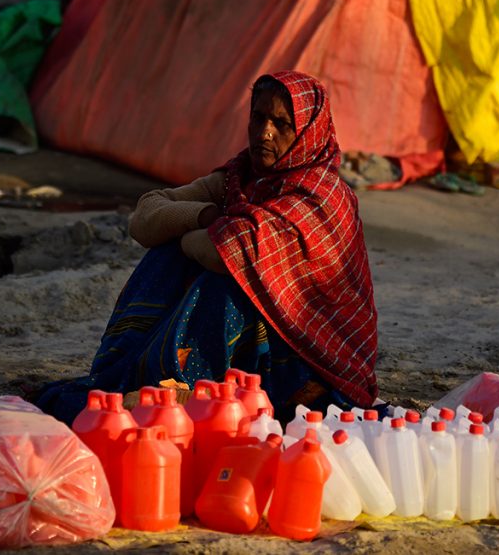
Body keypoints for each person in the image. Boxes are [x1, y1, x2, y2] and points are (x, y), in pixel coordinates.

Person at [37, 71, 378, 423]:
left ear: (307, 132)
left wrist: (194, 234)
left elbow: (225, 252)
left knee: (228, 280)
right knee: (167, 254)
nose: (265, 133)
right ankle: (144, 374)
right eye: (258, 118)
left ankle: (180, 385)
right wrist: (205, 216)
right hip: (256, 346)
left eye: (281, 123)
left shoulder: (321, 198)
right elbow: (145, 218)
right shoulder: (241, 178)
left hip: (311, 368)